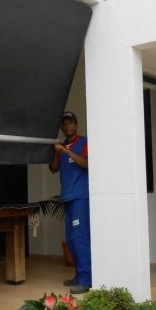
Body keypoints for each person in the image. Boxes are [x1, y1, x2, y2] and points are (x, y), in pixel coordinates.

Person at [49, 111, 91, 294]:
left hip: (80, 197)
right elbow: (53, 168)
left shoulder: (84, 142)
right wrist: (55, 152)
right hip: (67, 197)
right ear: (62, 127)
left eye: (71, 123)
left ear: (76, 124)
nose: (68, 127)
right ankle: (79, 275)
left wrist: (66, 151)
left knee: (80, 238)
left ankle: (86, 280)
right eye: (64, 124)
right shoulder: (60, 147)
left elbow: (88, 164)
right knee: (72, 240)